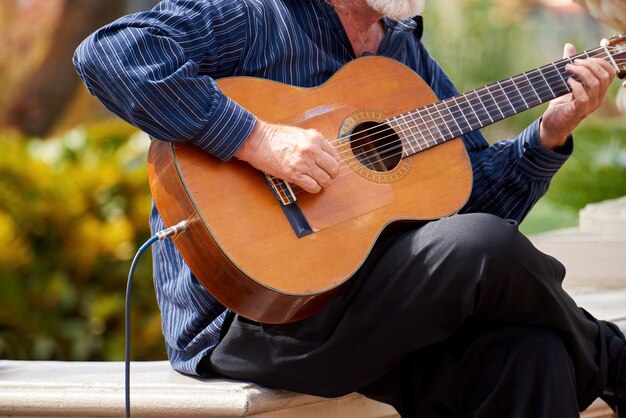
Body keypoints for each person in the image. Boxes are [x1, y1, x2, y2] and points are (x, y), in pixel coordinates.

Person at [73, 0, 626, 416]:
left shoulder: (406, 57)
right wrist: (257, 139)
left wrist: (548, 136)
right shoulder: (257, 15)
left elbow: (471, 206)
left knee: (530, 352)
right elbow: (108, 54)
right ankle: (614, 361)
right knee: (484, 246)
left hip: (375, 310)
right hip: (255, 315)